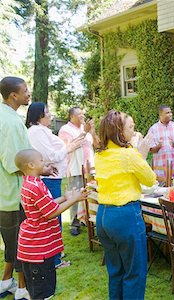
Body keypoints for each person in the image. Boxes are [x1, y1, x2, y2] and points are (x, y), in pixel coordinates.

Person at [95, 110, 156, 300]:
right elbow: (150, 179)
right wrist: (141, 154)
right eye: (131, 127)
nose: (134, 131)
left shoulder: (101, 154)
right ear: (119, 131)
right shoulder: (129, 155)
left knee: (116, 272)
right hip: (125, 215)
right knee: (134, 273)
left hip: (103, 215)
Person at [14, 149, 87, 300]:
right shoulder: (35, 187)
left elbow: (46, 206)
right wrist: (74, 199)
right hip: (38, 250)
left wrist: (65, 197)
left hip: (35, 249)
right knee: (42, 293)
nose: (44, 163)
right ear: (32, 165)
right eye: (41, 160)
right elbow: (51, 213)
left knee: (39, 291)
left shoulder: (32, 183)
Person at [25, 102, 83, 268]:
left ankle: (55, 253)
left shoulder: (42, 131)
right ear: (38, 116)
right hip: (49, 179)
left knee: (54, 217)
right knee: (53, 216)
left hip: (54, 177)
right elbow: (50, 155)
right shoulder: (36, 132)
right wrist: (69, 148)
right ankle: (55, 259)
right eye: (47, 112)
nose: (50, 115)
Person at [0, 76, 33, 300]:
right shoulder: (10, 122)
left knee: (11, 242)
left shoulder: (6, 116)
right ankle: (22, 289)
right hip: (12, 195)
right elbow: (13, 162)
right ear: (14, 95)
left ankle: (5, 281)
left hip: (5, 194)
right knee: (21, 244)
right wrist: (39, 169)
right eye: (25, 90)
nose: (28, 93)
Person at [58, 106, 98, 236]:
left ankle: (87, 220)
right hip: (75, 168)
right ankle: (74, 223)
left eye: (83, 114)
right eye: (79, 115)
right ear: (72, 117)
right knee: (75, 196)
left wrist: (91, 131)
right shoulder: (65, 130)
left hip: (90, 167)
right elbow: (68, 147)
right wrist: (85, 132)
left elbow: (96, 145)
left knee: (90, 194)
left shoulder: (84, 128)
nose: (83, 116)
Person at [148, 105, 174, 179]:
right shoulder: (153, 129)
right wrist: (159, 146)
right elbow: (151, 150)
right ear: (160, 115)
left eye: (170, 112)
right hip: (160, 170)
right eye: (167, 113)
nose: (170, 114)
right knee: (160, 190)